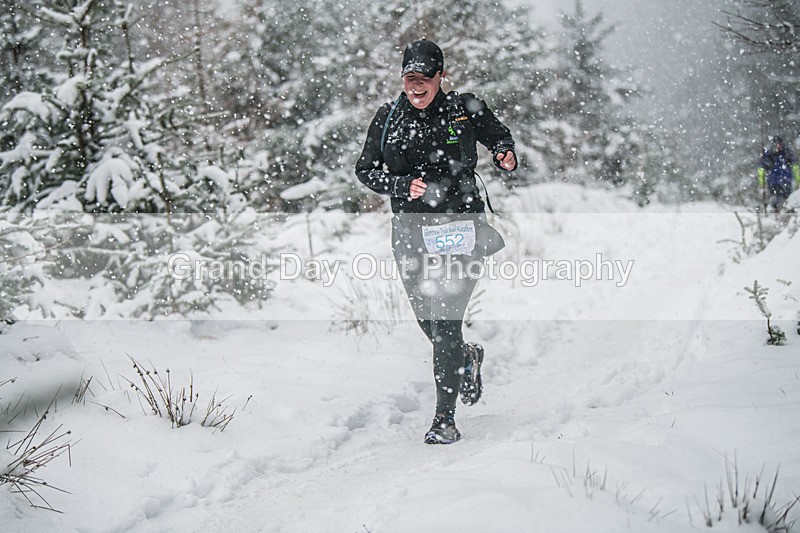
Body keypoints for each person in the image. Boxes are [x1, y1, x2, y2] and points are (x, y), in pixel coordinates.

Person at [354, 39, 517, 444]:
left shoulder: (464, 109)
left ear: (441, 76)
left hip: (462, 228)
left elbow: (499, 136)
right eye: (409, 77)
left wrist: (504, 152)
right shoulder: (388, 118)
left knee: (444, 321)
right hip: (411, 233)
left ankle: (444, 419)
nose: (416, 85)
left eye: (424, 78)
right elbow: (365, 170)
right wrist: (399, 185)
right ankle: (466, 356)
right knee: (427, 319)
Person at [758, 135, 800, 212]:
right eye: (776, 144)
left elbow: (795, 167)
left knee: (787, 202)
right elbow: (761, 169)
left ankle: (784, 214)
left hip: (785, 182)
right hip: (773, 182)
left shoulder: (787, 153)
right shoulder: (769, 154)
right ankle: (775, 213)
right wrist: (762, 183)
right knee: (774, 201)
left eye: (779, 144)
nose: (778, 146)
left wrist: (798, 181)